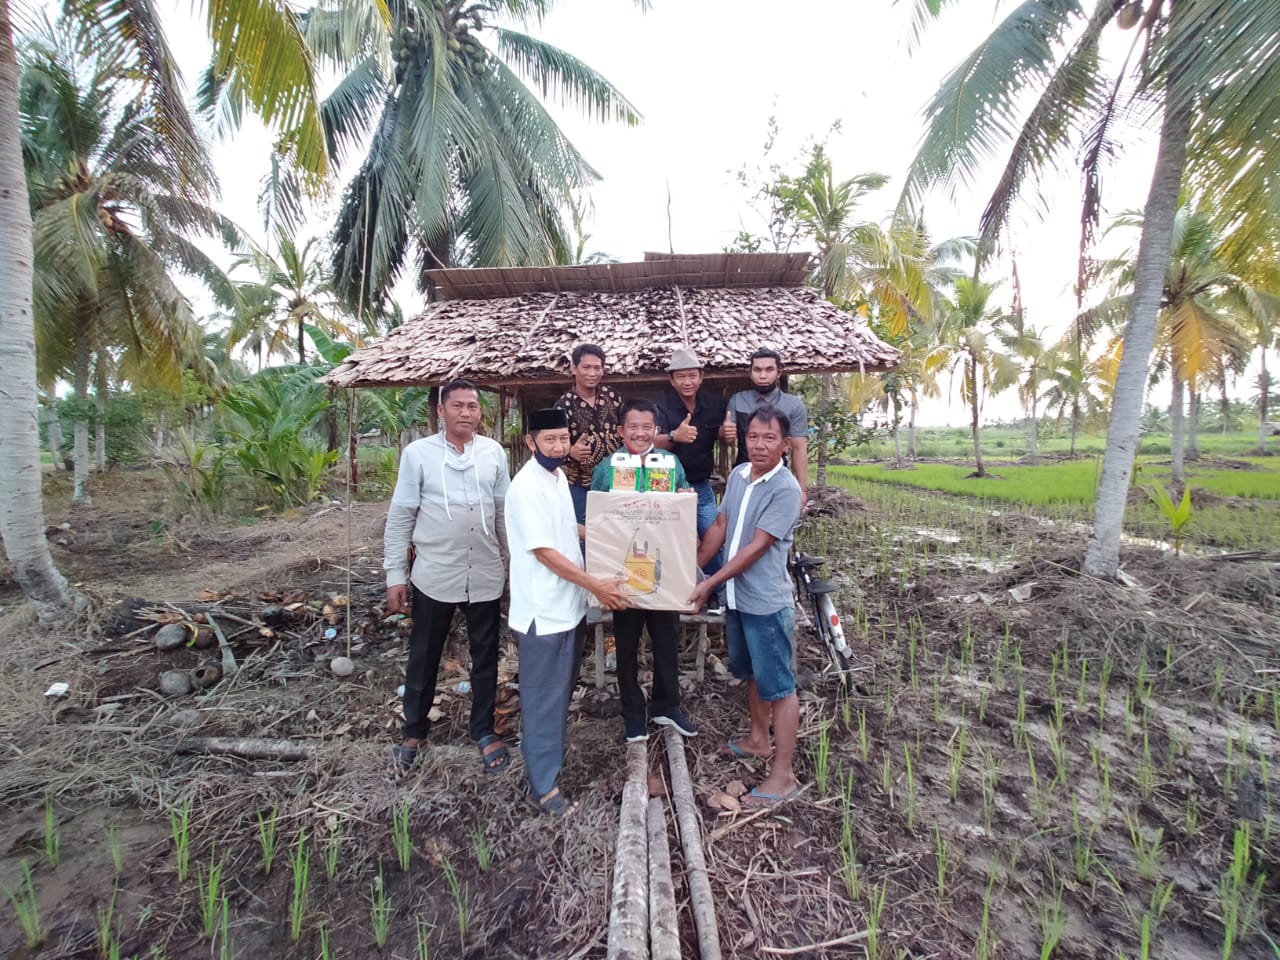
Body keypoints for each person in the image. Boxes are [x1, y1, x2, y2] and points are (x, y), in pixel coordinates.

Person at [507, 407, 630, 818]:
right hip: (543, 611)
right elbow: (544, 551)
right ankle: (542, 788)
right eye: (550, 440)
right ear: (531, 442)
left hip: (567, 606)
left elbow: (563, 529)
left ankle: (548, 764)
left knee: (558, 693)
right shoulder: (527, 486)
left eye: (563, 438)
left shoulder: (557, 477)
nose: (559, 447)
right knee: (543, 698)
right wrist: (595, 585)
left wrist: (600, 531)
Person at [384, 379, 511, 774]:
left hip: (485, 572)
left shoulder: (494, 453)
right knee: (424, 654)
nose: (465, 413)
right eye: (457, 405)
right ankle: (414, 730)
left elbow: (503, 513)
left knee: (485, 656)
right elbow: (401, 515)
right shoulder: (418, 454)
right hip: (435, 573)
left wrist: (512, 564)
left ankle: (483, 730)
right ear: (441, 411)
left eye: (472, 406)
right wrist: (394, 574)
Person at [690, 405, 803, 808]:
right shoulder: (739, 475)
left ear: (784, 444)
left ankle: (783, 775)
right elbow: (721, 526)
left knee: (780, 687)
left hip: (765, 602)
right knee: (753, 673)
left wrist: (709, 583)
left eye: (769, 438)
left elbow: (757, 547)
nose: (759, 445)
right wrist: (693, 570)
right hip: (737, 598)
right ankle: (758, 740)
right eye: (753, 436)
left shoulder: (787, 490)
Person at [590, 398, 700, 743]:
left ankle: (667, 704)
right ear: (621, 431)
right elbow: (597, 516)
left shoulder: (669, 463)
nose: (639, 433)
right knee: (625, 642)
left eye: (646, 427)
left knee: (666, 639)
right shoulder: (608, 468)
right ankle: (633, 713)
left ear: (656, 430)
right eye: (633, 427)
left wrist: (685, 496)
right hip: (623, 569)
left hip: (664, 568)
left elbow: (683, 504)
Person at [722, 348, 809, 512]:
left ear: (778, 373)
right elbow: (727, 439)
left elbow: (799, 448)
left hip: (777, 476)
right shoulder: (738, 401)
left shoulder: (793, 405)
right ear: (750, 373)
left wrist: (802, 489)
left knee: (774, 522)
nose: (763, 375)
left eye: (769, 370)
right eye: (758, 370)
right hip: (744, 473)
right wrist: (725, 433)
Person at [654, 346, 727, 541]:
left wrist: (724, 434)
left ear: (701, 377)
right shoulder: (661, 406)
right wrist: (673, 436)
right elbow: (652, 444)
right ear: (672, 380)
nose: (687, 382)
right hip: (668, 487)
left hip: (702, 485)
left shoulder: (713, 403)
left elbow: (723, 433)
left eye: (692, 376)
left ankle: (710, 564)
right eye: (681, 377)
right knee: (673, 541)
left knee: (714, 539)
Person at [554, 344, 622, 525]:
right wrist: (570, 451)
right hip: (580, 485)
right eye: (586, 367)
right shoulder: (563, 405)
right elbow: (551, 444)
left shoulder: (613, 397)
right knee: (583, 532)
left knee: (616, 530)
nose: (592, 373)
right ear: (574, 368)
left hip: (615, 482)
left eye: (597, 368)